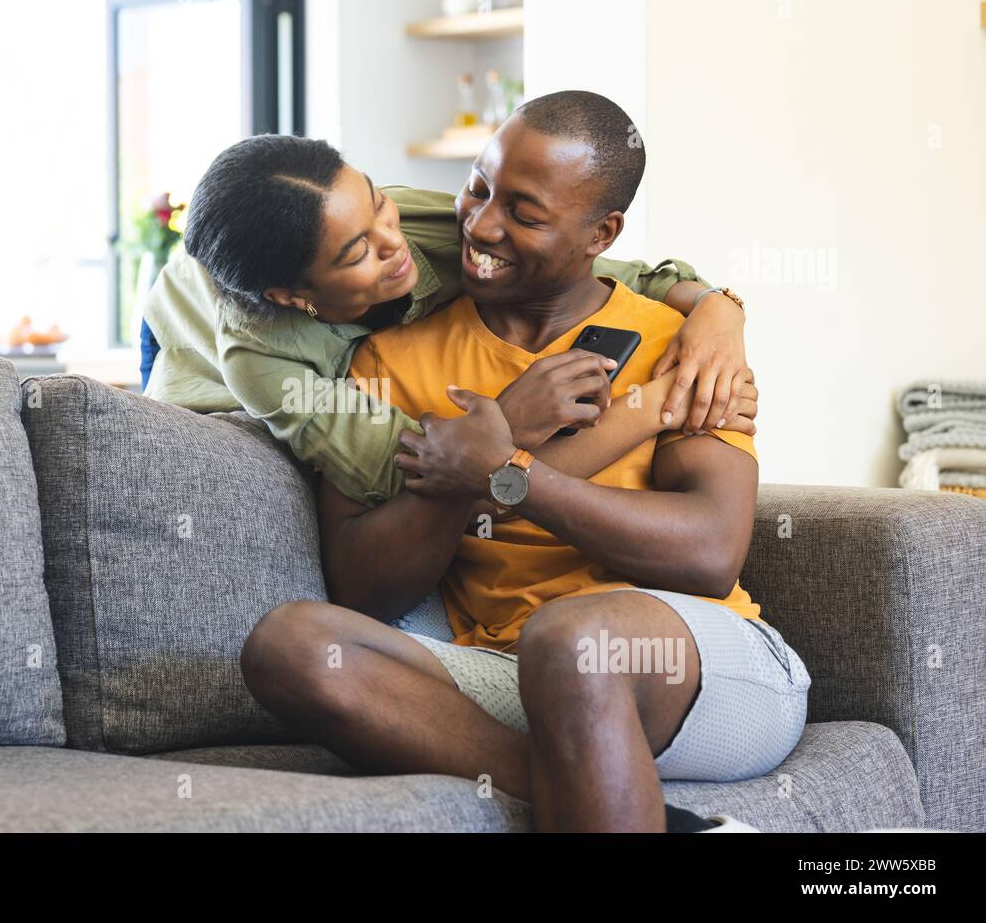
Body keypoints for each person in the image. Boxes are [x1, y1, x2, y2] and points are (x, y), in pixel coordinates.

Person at [237, 91, 811, 833]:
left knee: (574, 639)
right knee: (292, 646)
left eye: (525, 213)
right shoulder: (388, 358)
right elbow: (360, 589)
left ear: (601, 232)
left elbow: (708, 554)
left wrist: (508, 473)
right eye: (478, 187)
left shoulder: (684, 347)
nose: (479, 225)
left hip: (700, 670)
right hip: (508, 672)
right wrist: (472, 465)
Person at [141, 129, 754, 506]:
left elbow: (616, 272)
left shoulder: (417, 222)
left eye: (377, 203)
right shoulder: (260, 357)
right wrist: (516, 419)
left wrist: (719, 311)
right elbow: (404, 472)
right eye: (359, 252)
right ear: (292, 293)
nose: (394, 241)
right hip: (182, 329)